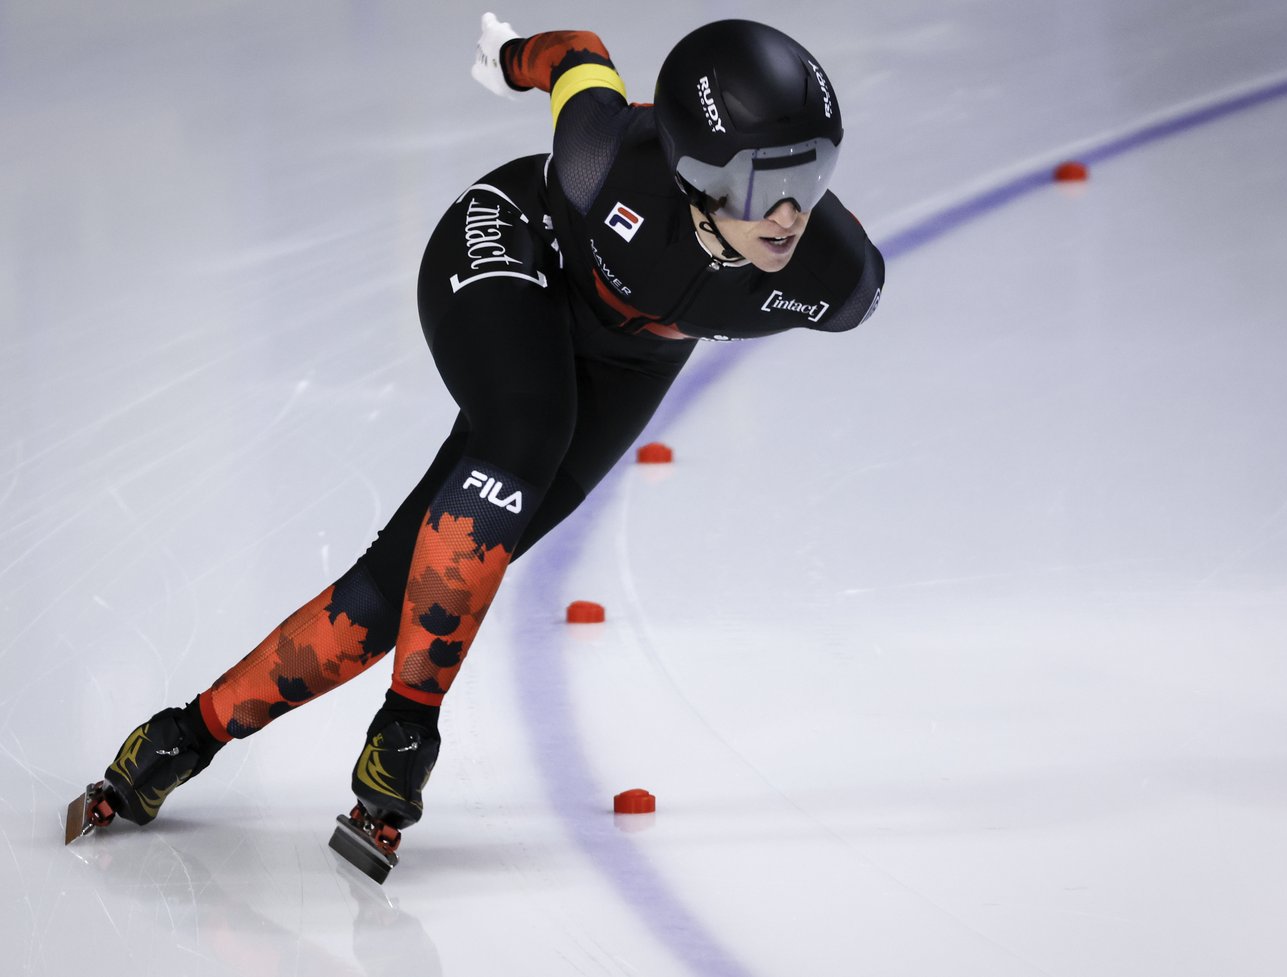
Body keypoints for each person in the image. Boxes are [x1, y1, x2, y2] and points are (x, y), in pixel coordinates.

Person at [87, 13, 884, 847]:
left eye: (814, 173)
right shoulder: (603, 160)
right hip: (518, 241)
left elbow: (849, 273)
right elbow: (577, 54)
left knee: (420, 582)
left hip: (630, 365)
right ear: (691, 170)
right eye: (764, 182)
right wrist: (509, 58)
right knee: (526, 430)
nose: (792, 213)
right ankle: (406, 731)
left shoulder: (837, 278)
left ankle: (183, 735)